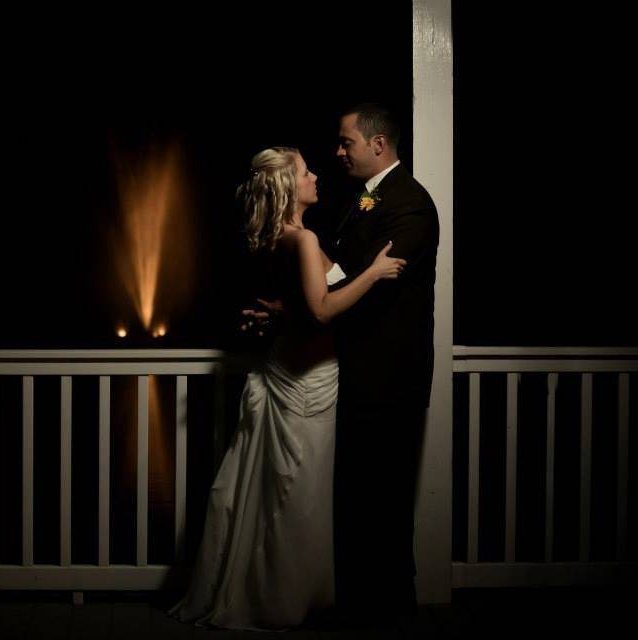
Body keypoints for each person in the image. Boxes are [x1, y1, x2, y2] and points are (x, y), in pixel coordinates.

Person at [169, 146, 406, 631]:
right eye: (305, 172)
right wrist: (376, 274)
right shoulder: (301, 239)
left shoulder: (285, 236)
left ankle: (276, 592)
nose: (316, 175)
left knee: (285, 493)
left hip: (293, 371)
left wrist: (279, 313)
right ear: (287, 187)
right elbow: (321, 310)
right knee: (298, 499)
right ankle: (279, 600)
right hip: (305, 381)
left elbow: (311, 297)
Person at [246, 104, 439, 623]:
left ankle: (391, 610)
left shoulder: (411, 207)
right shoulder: (357, 203)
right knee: (337, 496)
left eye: (345, 142)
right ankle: (338, 599)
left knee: (384, 498)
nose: (335, 154)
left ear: (377, 145)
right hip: (338, 373)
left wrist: (299, 313)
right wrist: (295, 312)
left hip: (387, 378)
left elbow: (361, 297)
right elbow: (330, 290)